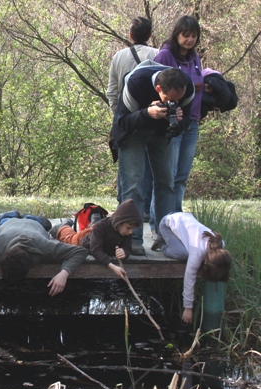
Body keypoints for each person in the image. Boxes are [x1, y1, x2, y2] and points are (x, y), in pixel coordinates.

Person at [112, 63, 195, 255]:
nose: (173, 103)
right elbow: (122, 123)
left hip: (162, 133)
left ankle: (165, 237)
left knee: (166, 182)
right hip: (134, 132)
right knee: (134, 185)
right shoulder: (136, 83)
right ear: (158, 89)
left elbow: (189, 120)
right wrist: (147, 114)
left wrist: (180, 124)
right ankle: (132, 239)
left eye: (177, 100)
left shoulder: (187, 86)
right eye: (168, 100)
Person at [153, 15, 204, 216]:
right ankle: (161, 221)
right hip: (171, 122)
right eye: (186, 35)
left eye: (193, 36)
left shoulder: (195, 58)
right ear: (177, 34)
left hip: (191, 121)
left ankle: (176, 215)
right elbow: (156, 86)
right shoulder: (165, 56)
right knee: (168, 175)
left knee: (182, 175)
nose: (189, 40)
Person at [107, 17, 158, 211]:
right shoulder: (157, 54)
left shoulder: (119, 56)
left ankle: (125, 209)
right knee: (150, 167)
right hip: (153, 117)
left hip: (126, 116)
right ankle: (145, 210)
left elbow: (111, 90)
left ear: (130, 35)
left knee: (127, 167)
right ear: (150, 35)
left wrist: (117, 114)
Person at [0, 214, 88, 296]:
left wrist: (64, 274)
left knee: (37, 221)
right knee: (6, 218)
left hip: (34, 223)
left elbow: (80, 251)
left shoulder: (45, 246)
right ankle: (12, 214)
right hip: (8, 223)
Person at [156, 212, 231, 324]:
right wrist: (188, 308)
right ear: (205, 261)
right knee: (182, 254)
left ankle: (176, 241)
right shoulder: (197, 253)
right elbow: (189, 278)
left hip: (186, 219)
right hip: (168, 224)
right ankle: (162, 244)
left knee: (186, 251)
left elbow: (222, 266)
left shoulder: (220, 246)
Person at [51, 199, 142, 279]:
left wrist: (124, 252)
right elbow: (96, 250)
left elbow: (127, 247)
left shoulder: (126, 230)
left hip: (97, 235)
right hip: (85, 240)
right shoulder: (101, 227)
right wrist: (113, 267)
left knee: (94, 229)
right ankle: (63, 226)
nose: (131, 232)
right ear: (120, 222)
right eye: (128, 228)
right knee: (69, 238)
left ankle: (92, 223)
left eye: (132, 229)